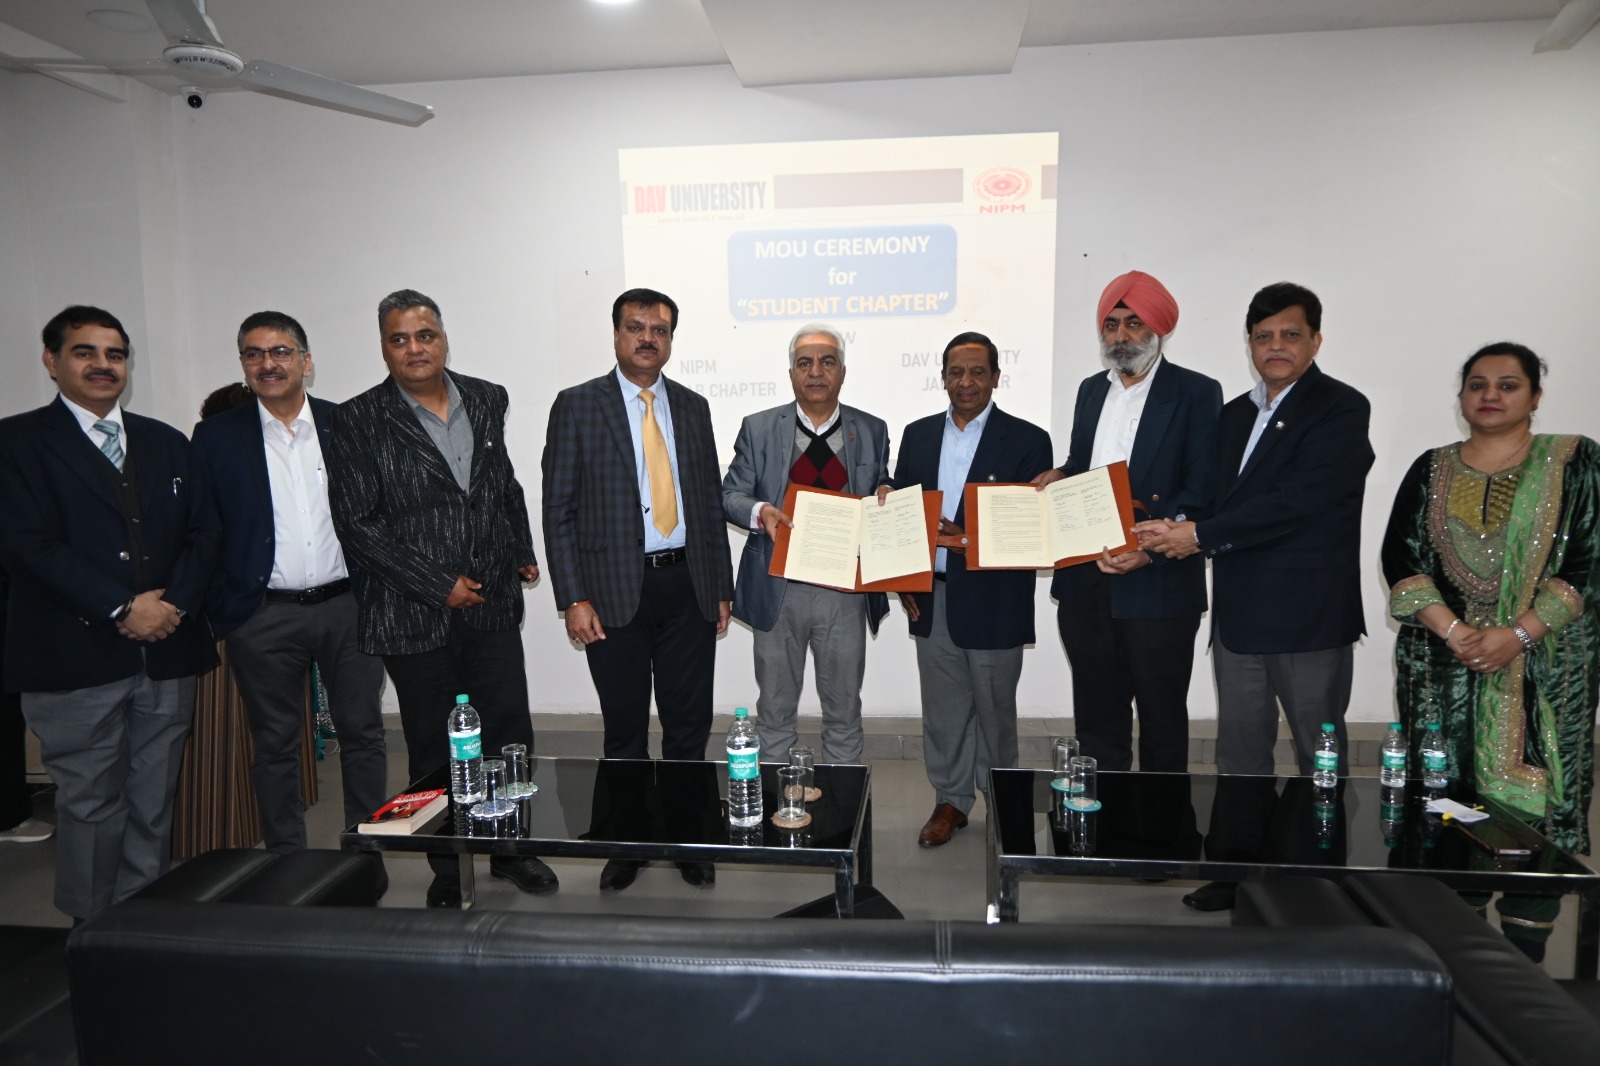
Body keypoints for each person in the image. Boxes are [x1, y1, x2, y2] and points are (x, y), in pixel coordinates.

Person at [329, 289, 554, 908]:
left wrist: (520, 547)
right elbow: (358, 525)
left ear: (444, 339)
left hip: (491, 602)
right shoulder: (355, 419)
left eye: (424, 335)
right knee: (434, 748)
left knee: (509, 734)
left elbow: (501, 484)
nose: (414, 348)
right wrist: (437, 584)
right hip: (412, 612)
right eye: (399, 339)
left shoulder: (486, 397)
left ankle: (511, 849)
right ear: (384, 349)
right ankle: (450, 868)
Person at [0, 306, 218, 921]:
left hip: (166, 652)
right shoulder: (15, 444)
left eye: (115, 354)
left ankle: (137, 925)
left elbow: (205, 532)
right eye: (85, 352)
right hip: (72, 658)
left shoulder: (165, 441)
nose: (103, 365)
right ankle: (92, 933)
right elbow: (25, 546)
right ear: (51, 361)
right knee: (91, 805)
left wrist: (172, 606)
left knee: (153, 801)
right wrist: (122, 606)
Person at [1382, 343, 1599, 959]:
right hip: (1442, 666)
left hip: (1544, 670)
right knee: (1447, 799)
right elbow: (1402, 558)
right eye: (1477, 384)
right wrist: (1455, 631)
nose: (1490, 395)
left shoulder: (1574, 460)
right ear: (1461, 397)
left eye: (1508, 385)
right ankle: (1460, 948)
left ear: (1535, 396)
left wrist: (1518, 634)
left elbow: (1588, 561)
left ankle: (1526, 953)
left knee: (1540, 806)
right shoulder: (1431, 467)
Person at [1138, 282, 1372, 778]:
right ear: (1249, 344)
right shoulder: (1234, 414)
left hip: (1308, 620)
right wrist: (1171, 526)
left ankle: (1324, 835)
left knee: (1320, 766)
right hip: (1239, 619)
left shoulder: (1341, 408)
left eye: (1291, 335)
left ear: (1316, 341)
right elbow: (1215, 499)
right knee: (1239, 763)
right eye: (1263, 336)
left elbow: (1297, 502)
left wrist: (1197, 536)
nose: (1276, 346)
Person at [542, 288, 734, 892]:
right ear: (616, 334)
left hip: (688, 586)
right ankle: (626, 843)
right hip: (610, 593)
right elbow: (558, 510)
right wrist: (573, 597)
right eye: (636, 327)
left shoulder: (694, 407)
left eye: (660, 329)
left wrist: (720, 586)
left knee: (688, 728)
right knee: (624, 728)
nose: (648, 338)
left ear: (671, 339)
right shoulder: (577, 405)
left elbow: (706, 504)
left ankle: (689, 840)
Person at [190, 311, 387, 852]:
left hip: (349, 607)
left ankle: (365, 853)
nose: (268, 363)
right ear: (243, 364)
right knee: (275, 744)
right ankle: (286, 862)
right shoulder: (216, 437)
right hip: (264, 615)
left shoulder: (347, 423)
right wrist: (223, 604)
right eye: (254, 353)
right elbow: (202, 526)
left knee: (363, 734)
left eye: (280, 351)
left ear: (306, 361)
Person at [1034, 271, 1221, 772]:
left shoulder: (1196, 392)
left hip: (1157, 582)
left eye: (1134, 323)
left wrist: (1151, 549)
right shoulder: (1090, 391)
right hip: (1086, 582)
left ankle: (1161, 824)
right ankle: (1100, 819)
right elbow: (1083, 466)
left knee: (1162, 726)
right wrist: (1060, 475)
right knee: (1097, 724)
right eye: (1112, 324)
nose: (1121, 336)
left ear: (1159, 329)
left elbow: (1202, 490)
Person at [886, 332, 1052, 847]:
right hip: (931, 598)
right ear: (942, 378)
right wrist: (903, 580)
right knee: (943, 714)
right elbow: (905, 518)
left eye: (978, 372)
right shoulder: (916, 435)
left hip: (995, 600)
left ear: (996, 378)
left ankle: (1004, 805)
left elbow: (1028, 531)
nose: (966, 382)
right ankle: (951, 801)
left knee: (996, 715)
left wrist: (965, 540)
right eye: (956, 372)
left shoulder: (1028, 440)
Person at [721, 323, 891, 764]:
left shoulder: (871, 429)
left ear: (842, 372)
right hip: (779, 590)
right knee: (774, 713)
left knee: (844, 712)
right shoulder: (759, 428)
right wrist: (761, 511)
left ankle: (843, 800)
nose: (816, 371)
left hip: (844, 592)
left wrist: (888, 493)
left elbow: (882, 483)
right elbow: (730, 495)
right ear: (791, 373)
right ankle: (775, 799)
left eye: (827, 362)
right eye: (805, 363)